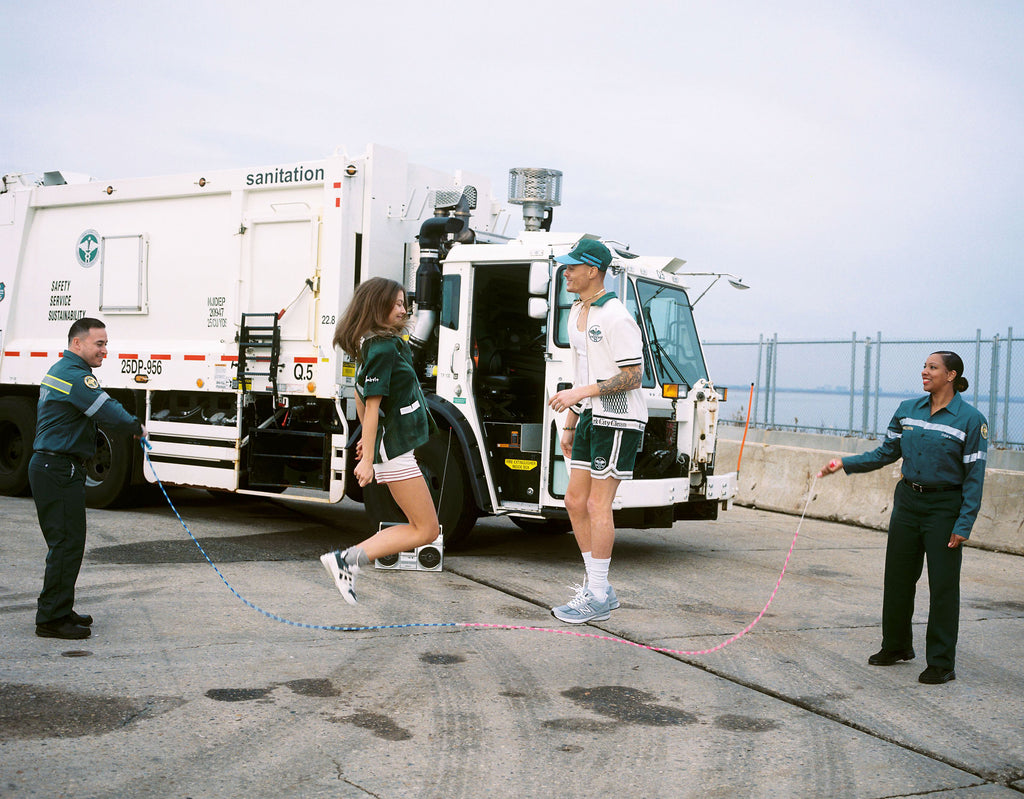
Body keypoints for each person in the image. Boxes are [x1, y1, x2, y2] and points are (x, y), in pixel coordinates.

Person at [818, 351, 987, 684]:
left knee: (942, 586)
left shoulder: (970, 419)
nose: (924, 371)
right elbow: (885, 453)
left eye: (932, 367)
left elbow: (975, 476)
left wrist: (963, 523)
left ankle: (941, 662)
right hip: (908, 502)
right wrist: (845, 464)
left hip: (944, 507)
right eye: (924, 366)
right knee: (897, 578)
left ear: (951, 375)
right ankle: (895, 646)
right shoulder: (908, 410)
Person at [320, 278, 440, 604]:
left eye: (404, 303)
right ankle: (346, 560)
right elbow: (371, 406)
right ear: (377, 305)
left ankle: (347, 561)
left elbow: (360, 397)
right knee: (426, 530)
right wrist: (367, 458)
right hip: (397, 451)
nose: (404, 309)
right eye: (397, 303)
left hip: (394, 447)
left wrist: (367, 443)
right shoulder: (382, 348)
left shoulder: (371, 344)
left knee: (421, 527)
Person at [547, 239, 647, 623]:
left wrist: (580, 394)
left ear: (593, 271)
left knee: (596, 504)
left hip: (619, 419)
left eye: (572, 267)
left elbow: (633, 375)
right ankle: (597, 587)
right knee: (574, 501)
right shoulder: (577, 312)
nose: (566, 272)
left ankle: (599, 595)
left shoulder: (616, 316)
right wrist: (572, 420)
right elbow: (582, 371)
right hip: (590, 416)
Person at [31, 317, 145, 640]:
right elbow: (108, 410)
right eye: (99, 343)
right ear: (77, 344)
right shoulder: (77, 378)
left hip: (52, 468)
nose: (105, 350)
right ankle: (51, 618)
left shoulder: (61, 371)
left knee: (67, 543)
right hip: (58, 469)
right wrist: (136, 427)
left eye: (106, 343)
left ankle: (60, 607)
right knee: (66, 544)